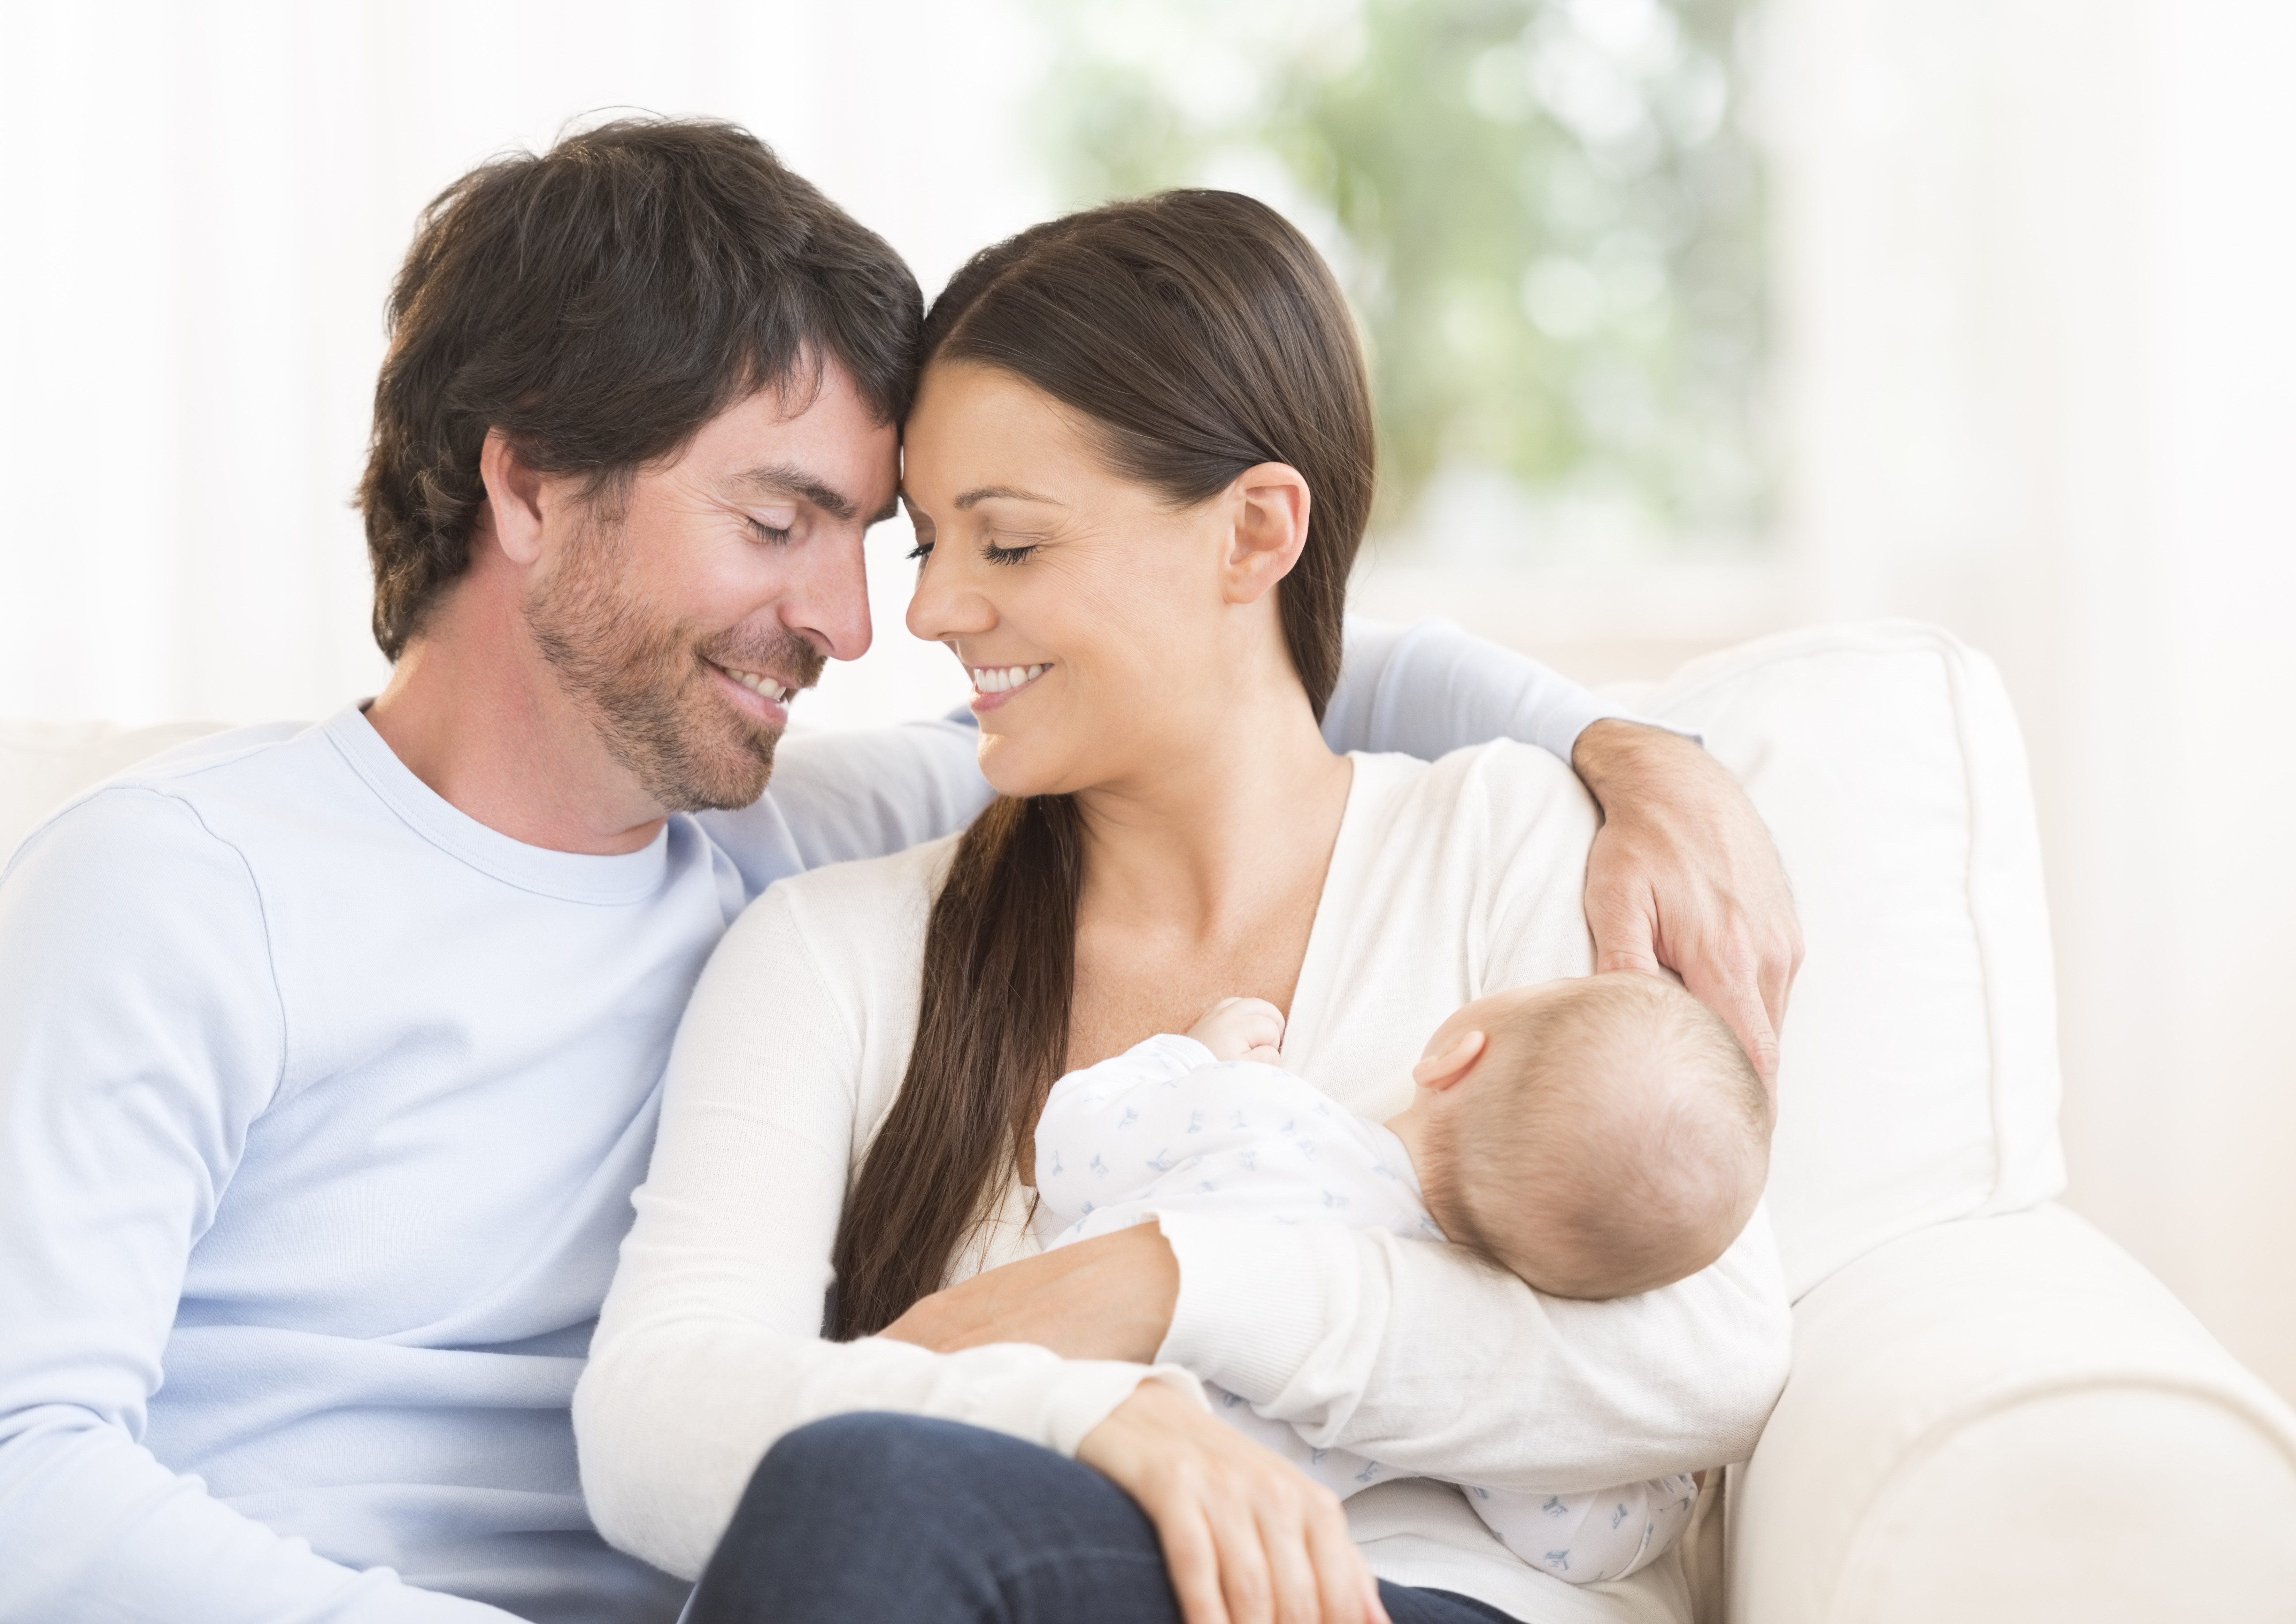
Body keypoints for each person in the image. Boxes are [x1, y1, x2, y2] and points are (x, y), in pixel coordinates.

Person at [0, 120, 1799, 1624]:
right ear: (529, 488)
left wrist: (1635, 754)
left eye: (898, 542)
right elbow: (23, 1475)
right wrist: (1079, 1411)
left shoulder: (800, 822)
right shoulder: (186, 885)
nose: (869, 624)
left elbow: (1227, 679)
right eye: (783, 525)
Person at [575, 188, 1792, 1624]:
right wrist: (1080, 1416)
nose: (932, 613)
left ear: (1254, 533)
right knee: (863, 1499)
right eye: (927, 547)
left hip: (1427, 1604)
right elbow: (651, 1425)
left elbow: (1705, 1356)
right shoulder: (833, 951)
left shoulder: (1516, 845)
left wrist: (1172, 1287)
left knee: (872, 1488)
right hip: (1043, 1578)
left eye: (1008, 545)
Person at [1032, 971, 1771, 1587]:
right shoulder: (1467, 1373)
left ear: (1453, 1059)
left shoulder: (1266, 1113)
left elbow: (1070, 1153)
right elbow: (1576, 1541)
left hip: (1014, 1394)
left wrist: (1187, 1058)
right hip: (1164, 1556)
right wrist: (1674, 1491)